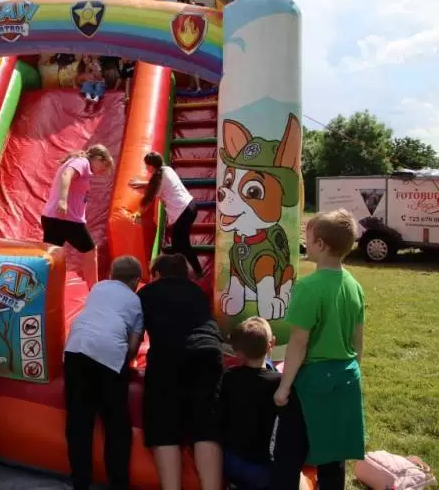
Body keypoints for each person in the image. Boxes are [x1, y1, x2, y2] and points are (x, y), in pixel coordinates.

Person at [272, 210, 366, 490]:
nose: (306, 244)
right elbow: (358, 341)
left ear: (322, 244)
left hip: (312, 383)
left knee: (288, 453)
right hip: (346, 377)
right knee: (333, 456)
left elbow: (298, 342)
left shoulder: (308, 287)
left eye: (309, 240)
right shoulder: (354, 285)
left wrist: (283, 387)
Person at [137, 254, 224, 490]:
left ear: (157, 274)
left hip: (168, 354)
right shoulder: (197, 292)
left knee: (163, 424)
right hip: (208, 351)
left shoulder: (147, 293)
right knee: (206, 425)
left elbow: (136, 334)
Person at [64, 256, 145, 490]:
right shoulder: (135, 300)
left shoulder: (98, 288)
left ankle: (80, 481)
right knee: (116, 423)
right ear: (136, 281)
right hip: (109, 353)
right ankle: (118, 482)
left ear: (111, 274)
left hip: (76, 348)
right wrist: (124, 362)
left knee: (79, 421)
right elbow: (133, 345)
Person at [42, 144, 114, 289]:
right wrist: (63, 200)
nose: (103, 171)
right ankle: (94, 289)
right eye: (104, 165)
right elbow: (66, 174)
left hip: (54, 217)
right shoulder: (82, 162)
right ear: (98, 158)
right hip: (67, 219)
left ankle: (44, 287)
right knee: (90, 250)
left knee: (51, 255)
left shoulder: (79, 162)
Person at [221, 317, 280, 489]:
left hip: (230, 460)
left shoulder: (229, 377)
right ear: (272, 344)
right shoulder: (279, 382)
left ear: (238, 352)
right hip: (262, 466)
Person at [129, 151, 204, 278]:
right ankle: (186, 268)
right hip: (190, 206)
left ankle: (191, 272)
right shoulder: (167, 169)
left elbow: (147, 201)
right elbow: (158, 184)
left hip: (183, 212)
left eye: (147, 165)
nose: (146, 168)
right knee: (179, 244)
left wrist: (137, 213)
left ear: (151, 166)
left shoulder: (157, 180)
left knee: (182, 246)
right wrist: (142, 184)